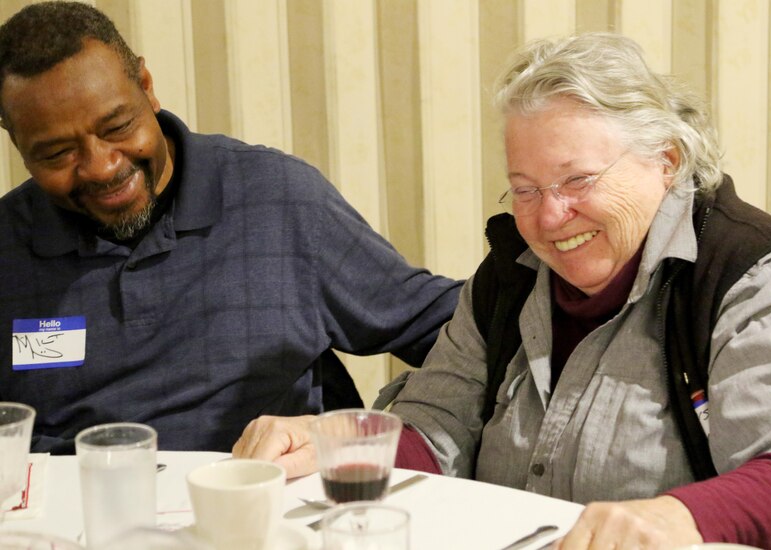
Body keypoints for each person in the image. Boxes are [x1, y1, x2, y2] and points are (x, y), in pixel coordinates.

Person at [233, 33, 771, 549]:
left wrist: (677, 516)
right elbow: (438, 427)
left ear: (665, 162)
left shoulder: (748, 276)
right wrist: (339, 442)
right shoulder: (510, 276)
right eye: (525, 189)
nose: (550, 217)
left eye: (578, 180)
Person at [0, 2, 461, 455]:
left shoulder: (278, 200)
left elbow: (447, 327)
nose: (101, 167)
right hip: (71, 517)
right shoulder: (7, 246)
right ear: (14, 138)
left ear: (146, 86)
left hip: (267, 507)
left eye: (118, 126)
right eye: (58, 153)